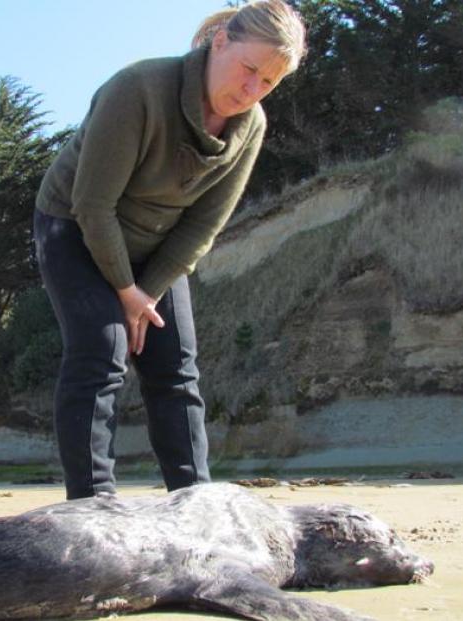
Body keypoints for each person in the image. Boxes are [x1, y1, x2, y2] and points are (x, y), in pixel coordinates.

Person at [33, 0, 307, 500]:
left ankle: (195, 504)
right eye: (248, 70)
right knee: (103, 349)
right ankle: (93, 508)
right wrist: (123, 290)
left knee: (175, 367)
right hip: (73, 225)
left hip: (157, 246)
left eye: (267, 83)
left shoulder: (251, 127)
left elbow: (204, 224)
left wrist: (148, 292)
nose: (251, 91)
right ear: (220, 40)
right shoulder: (137, 89)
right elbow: (93, 205)